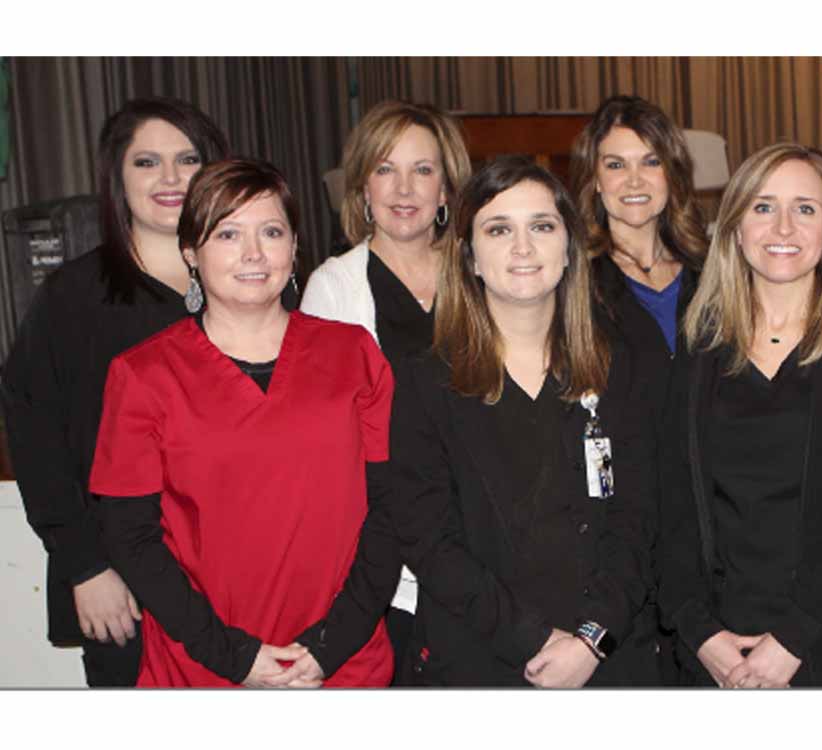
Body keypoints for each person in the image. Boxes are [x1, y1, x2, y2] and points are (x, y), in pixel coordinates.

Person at [279, 156, 662, 687]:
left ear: (569, 249)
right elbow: (428, 538)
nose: (523, 248)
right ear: (471, 257)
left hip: (609, 656)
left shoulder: (621, 366)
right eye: (499, 229)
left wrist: (592, 639)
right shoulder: (422, 382)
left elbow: (638, 519)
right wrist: (531, 639)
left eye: (542, 227)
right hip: (481, 660)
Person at [89, 159, 395, 687]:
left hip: (344, 662)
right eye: (228, 234)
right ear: (191, 251)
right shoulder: (142, 375)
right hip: (204, 668)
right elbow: (131, 538)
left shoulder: (354, 354)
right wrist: (232, 655)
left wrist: (332, 643)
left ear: (294, 247)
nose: (253, 253)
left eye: (271, 232)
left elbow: (392, 507)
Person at [658, 143, 822, 687]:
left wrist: (794, 638)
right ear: (735, 228)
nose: (783, 227)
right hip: (718, 651)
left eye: (804, 208)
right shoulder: (699, 344)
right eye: (763, 206)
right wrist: (700, 632)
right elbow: (670, 502)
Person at [0, 97, 228, 686]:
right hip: (121, 585)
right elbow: (36, 436)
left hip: (238, 577)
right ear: (117, 178)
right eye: (147, 162)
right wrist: (84, 566)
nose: (171, 177)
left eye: (188, 159)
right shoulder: (74, 296)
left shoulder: (250, 280)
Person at [299, 100, 471, 681]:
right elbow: (325, 447)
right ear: (362, 187)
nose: (404, 188)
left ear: (445, 188)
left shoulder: (483, 272)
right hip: (390, 565)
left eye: (422, 170)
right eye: (385, 169)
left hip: (486, 550)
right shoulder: (332, 289)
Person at [570, 94, 708, 358]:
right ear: (596, 179)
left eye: (651, 162)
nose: (634, 181)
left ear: (672, 174)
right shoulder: (574, 277)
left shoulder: (709, 270)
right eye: (616, 165)